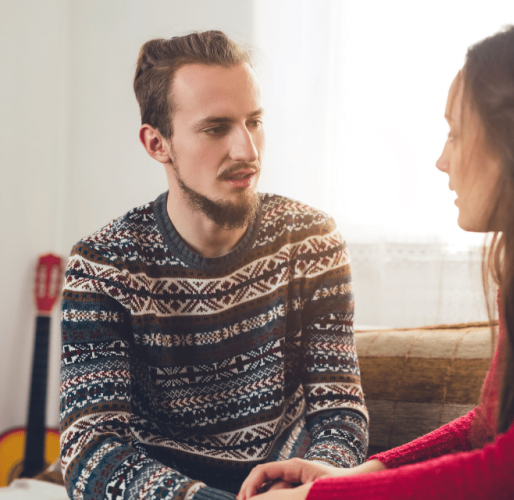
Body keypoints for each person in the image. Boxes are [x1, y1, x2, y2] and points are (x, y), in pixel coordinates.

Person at [237, 17, 514, 500]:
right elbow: (492, 426)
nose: (443, 160)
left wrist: (313, 499)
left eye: (456, 134)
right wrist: (362, 474)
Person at [59, 31, 369, 500]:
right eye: (216, 128)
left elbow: (339, 411)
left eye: (254, 121)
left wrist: (314, 480)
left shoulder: (311, 240)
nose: (247, 150)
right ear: (157, 143)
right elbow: (90, 448)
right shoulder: (103, 265)